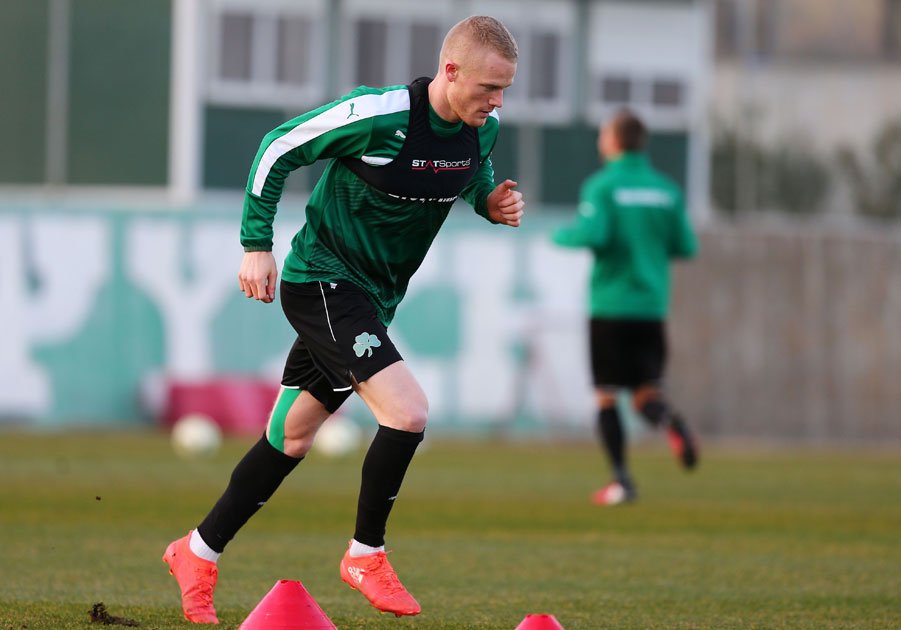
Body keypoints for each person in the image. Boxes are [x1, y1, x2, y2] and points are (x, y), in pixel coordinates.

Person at [163, 15, 523, 624]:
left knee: (291, 437)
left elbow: (471, 173)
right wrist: (256, 245)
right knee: (408, 412)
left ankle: (196, 552)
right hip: (322, 282)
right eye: (489, 87)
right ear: (450, 70)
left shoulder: (480, 129)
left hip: (372, 300)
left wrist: (490, 202)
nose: (498, 102)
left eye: (505, 90)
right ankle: (365, 554)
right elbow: (278, 147)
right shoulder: (379, 116)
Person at [551, 109, 698, 506]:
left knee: (607, 395)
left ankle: (621, 481)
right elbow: (686, 245)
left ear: (614, 141)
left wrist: (561, 235)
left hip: (611, 306)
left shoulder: (602, 186)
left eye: (603, 134)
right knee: (646, 394)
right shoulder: (666, 190)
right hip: (651, 308)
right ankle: (671, 422)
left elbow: (594, 234)